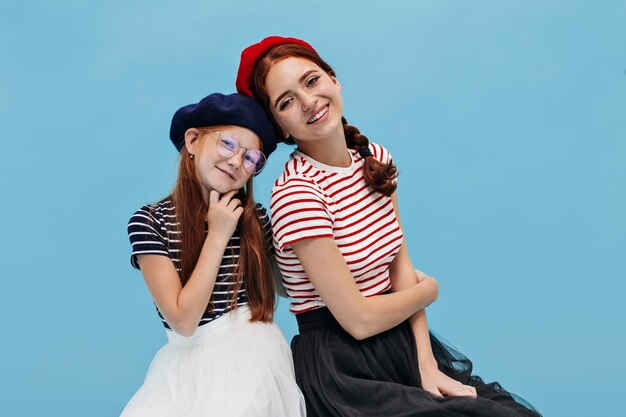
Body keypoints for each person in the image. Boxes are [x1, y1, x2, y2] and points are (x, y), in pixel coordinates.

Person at [235, 36, 542, 417]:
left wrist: (426, 364)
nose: (308, 101)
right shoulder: (298, 193)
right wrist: (429, 289)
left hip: (403, 343)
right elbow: (359, 320)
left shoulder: (374, 158)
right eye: (286, 101)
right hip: (343, 366)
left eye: (312, 81)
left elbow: (399, 264)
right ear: (279, 128)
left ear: (333, 79)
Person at [121, 92, 306, 417]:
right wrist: (218, 234)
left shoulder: (254, 219)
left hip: (252, 358)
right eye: (228, 144)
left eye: (251, 159)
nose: (237, 161)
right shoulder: (150, 221)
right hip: (183, 362)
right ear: (192, 141)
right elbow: (183, 320)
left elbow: (291, 286)